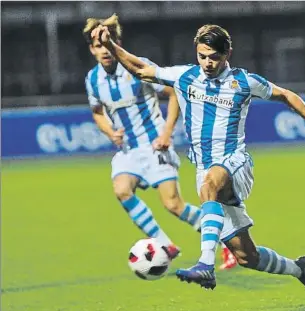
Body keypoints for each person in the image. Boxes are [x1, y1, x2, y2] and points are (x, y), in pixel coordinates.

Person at [91, 21, 305, 303]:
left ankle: (205, 264)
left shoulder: (243, 82)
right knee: (248, 256)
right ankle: (300, 269)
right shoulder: (185, 77)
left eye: (214, 57)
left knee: (209, 185)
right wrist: (112, 45)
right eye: (202, 56)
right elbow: (141, 70)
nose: (208, 63)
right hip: (204, 169)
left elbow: (286, 95)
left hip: (235, 162)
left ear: (227, 54)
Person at [83, 15, 237, 268]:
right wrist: (109, 132)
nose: (103, 50)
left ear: (116, 42)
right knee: (121, 189)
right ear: (91, 49)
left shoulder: (136, 67)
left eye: (106, 43)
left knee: (173, 205)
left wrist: (167, 133)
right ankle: (164, 243)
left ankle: (228, 242)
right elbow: (97, 112)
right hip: (128, 150)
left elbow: (173, 92)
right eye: (97, 45)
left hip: (155, 146)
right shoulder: (92, 80)